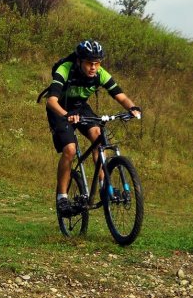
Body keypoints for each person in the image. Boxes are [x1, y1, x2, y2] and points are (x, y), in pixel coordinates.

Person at [45, 40, 141, 216]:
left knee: (98, 136)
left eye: (97, 63)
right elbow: (51, 101)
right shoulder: (65, 69)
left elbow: (120, 95)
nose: (93, 67)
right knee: (70, 149)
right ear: (80, 61)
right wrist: (66, 115)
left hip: (80, 106)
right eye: (90, 63)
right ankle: (62, 198)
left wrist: (132, 108)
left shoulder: (100, 73)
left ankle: (105, 187)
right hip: (60, 108)